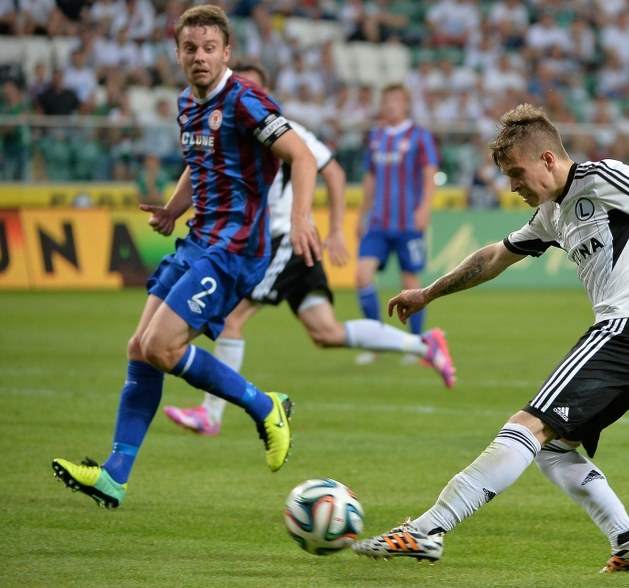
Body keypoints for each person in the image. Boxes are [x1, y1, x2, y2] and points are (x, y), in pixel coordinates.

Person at [352, 104, 629, 571]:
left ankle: (427, 530)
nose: (514, 185)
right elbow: (494, 257)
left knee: (526, 426)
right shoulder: (550, 214)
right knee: (554, 449)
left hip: (628, 331)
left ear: (546, 159)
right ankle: (627, 541)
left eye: (517, 173)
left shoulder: (606, 179)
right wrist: (428, 292)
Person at [51, 5, 322, 509]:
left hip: (235, 249)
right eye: (190, 48)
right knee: (139, 347)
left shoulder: (244, 99)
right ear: (177, 53)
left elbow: (301, 156)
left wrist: (303, 217)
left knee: (161, 346)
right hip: (200, 240)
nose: (200, 57)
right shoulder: (187, 103)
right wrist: (175, 210)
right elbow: (199, 161)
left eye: (209, 48)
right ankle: (113, 476)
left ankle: (266, 406)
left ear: (227, 53)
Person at [162, 62, 455, 436]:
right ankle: (423, 345)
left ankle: (211, 415)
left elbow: (331, 171)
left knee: (232, 318)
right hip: (277, 244)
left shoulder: (285, 130)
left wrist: (334, 230)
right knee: (326, 333)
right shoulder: (228, 131)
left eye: (251, 84)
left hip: (284, 241)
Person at [354, 82, 439, 365]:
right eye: (386, 100)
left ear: (405, 104)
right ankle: (375, 342)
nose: (389, 104)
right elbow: (369, 178)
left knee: (410, 283)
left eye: (395, 100)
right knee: (362, 274)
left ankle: (418, 344)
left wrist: (425, 208)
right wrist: (360, 215)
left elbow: (429, 174)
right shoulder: (377, 136)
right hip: (378, 221)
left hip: (407, 222)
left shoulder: (419, 136)